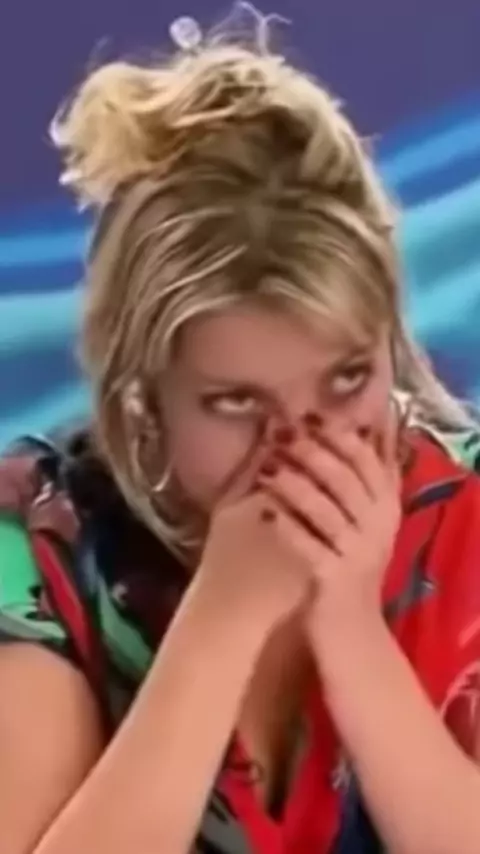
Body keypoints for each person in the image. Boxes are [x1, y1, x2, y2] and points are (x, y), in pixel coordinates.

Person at [1, 11, 480, 854]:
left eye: (347, 379)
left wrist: (351, 633)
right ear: (144, 403)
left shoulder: (465, 514)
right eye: (235, 403)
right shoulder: (39, 546)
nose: (303, 448)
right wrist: (222, 619)